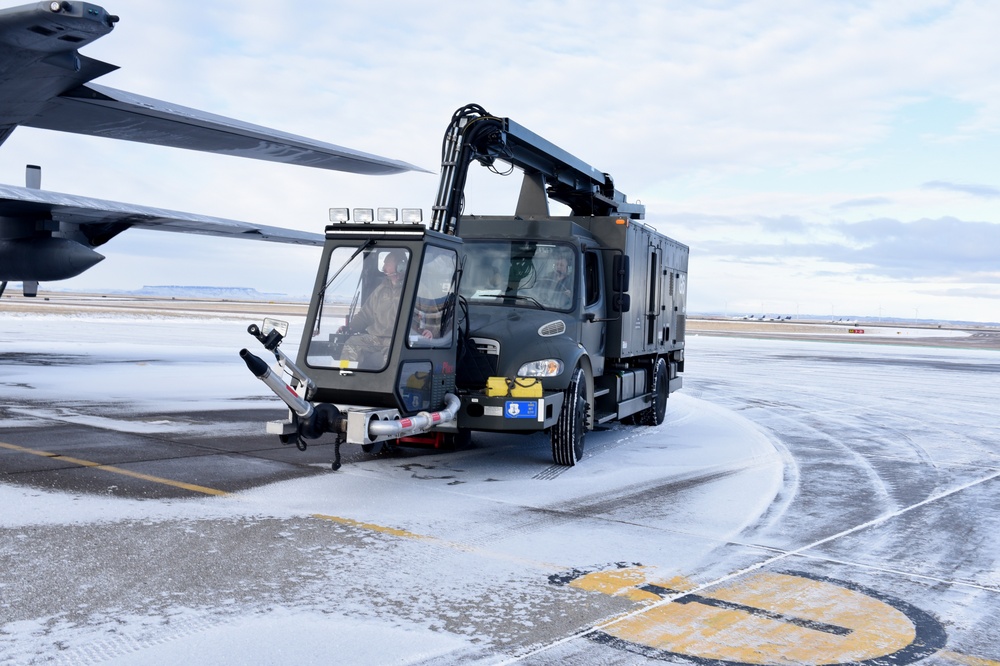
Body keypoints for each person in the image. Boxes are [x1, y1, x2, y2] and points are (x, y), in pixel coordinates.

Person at [341, 250, 430, 367]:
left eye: (386, 263)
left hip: (399, 340)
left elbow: (432, 315)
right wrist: (350, 327)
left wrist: (430, 330)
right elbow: (365, 314)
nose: (383, 268)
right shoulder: (381, 290)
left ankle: (384, 385)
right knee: (352, 343)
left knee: (393, 356)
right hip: (376, 337)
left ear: (401, 266)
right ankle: (344, 376)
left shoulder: (418, 289)